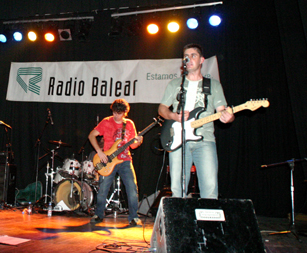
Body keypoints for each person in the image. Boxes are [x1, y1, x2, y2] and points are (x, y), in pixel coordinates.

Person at [158, 43, 234, 199]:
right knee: (177, 189)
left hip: (205, 140)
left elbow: (222, 112)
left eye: (194, 55)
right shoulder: (175, 85)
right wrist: (174, 116)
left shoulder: (213, 85)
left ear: (202, 60)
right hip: (178, 141)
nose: (189, 58)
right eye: (186, 56)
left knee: (210, 187)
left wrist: (229, 117)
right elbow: (162, 109)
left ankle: (208, 222)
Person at [88, 99, 143, 226]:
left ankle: (134, 217)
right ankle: (98, 214)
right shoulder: (106, 122)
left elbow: (133, 146)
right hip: (108, 160)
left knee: (132, 189)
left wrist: (139, 141)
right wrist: (99, 152)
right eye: (114, 112)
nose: (116, 115)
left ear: (125, 112)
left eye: (119, 113)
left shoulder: (129, 124)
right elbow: (91, 135)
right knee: (103, 189)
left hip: (125, 161)